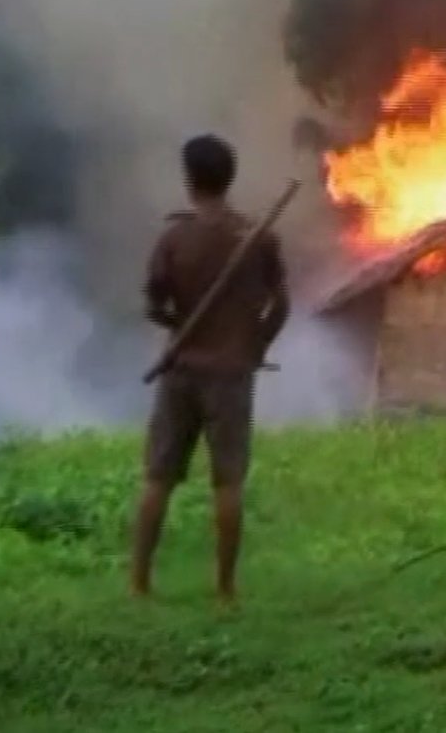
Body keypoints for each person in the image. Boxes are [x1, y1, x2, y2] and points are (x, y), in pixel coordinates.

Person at [130, 133, 289, 604]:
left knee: (158, 476)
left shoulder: (174, 238)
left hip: (180, 369)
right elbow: (280, 304)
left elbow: (153, 305)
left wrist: (178, 325)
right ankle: (224, 589)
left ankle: (139, 583)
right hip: (231, 374)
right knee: (229, 482)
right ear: (230, 178)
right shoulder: (257, 237)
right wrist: (256, 342)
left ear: (188, 180)